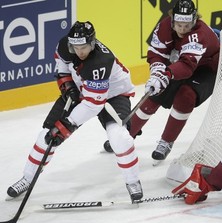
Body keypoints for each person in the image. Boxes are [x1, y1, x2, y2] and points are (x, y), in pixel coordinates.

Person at [6, 21, 143, 202]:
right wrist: (67, 83)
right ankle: (27, 179)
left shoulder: (100, 62)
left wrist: (66, 126)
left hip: (113, 94)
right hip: (81, 89)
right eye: (75, 47)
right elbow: (61, 61)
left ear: (92, 43)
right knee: (47, 135)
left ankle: (133, 181)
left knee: (119, 137)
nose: (79, 51)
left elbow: (93, 104)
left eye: (84, 47)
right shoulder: (66, 45)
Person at [104, 0, 220, 164]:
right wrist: (157, 72)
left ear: (194, 20)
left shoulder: (199, 34)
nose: (182, 29)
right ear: (172, 20)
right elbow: (156, 54)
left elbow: (187, 66)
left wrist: (166, 74)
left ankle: (167, 142)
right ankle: (126, 136)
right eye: (179, 24)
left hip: (206, 69)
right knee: (155, 92)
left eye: (187, 25)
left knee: (185, 96)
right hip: (180, 64)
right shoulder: (164, 26)